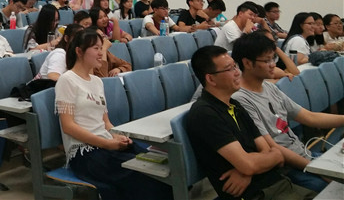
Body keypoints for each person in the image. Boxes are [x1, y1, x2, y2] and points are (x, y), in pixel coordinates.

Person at [55, 29, 173, 200]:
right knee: (142, 176)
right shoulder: (67, 80)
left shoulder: (97, 81)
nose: (100, 53)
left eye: (101, 47)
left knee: (157, 164)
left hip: (105, 143)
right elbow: (68, 127)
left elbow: (106, 122)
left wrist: (118, 136)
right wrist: (106, 143)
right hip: (84, 153)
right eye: (96, 48)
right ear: (79, 51)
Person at [186, 45, 316, 200]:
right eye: (229, 69)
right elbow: (255, 162)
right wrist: (252, 165)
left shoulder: (235, 105)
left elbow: (273, 153)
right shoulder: (205, 114)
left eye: (235, 66)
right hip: (257, 194)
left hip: (277, 184)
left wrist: (248, 170)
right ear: (210, 79)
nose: (237, 72)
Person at [232, 33, 343, 193]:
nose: (273, 65)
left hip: (305, 155)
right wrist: (318, 170)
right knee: (336, 189)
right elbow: (273, 148)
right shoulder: (240, 99)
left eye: (273, 58)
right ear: (247, 63)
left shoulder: (269, 87)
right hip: (287, 168)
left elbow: (309, 117)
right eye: (267, 60)